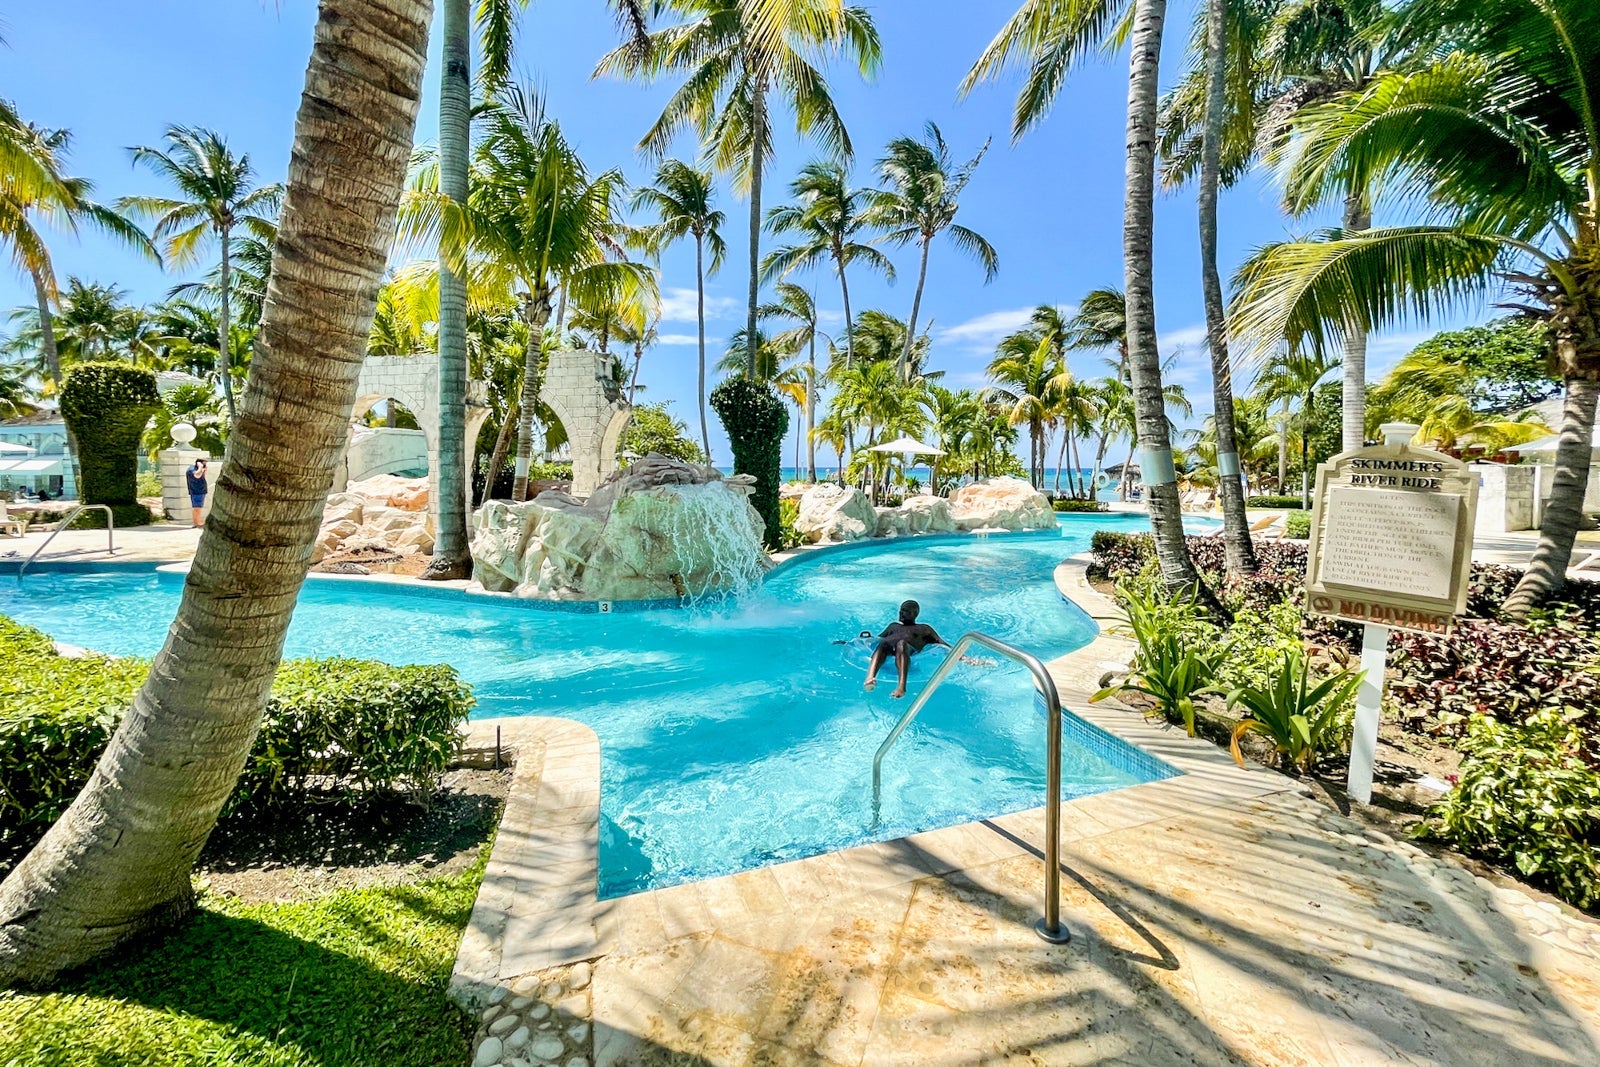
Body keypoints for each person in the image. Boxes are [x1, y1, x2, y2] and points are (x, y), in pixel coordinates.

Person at [864, 599, 952, 699]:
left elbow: (943, 644)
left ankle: (901, 687)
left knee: (901, 644)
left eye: (905, 610)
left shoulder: (924, 628)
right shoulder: (893, 626)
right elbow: (877, 639)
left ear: (914, 613)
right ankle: (870, 677)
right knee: (884, 643)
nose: (901, 613)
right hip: (889, 649)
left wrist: (963, 657)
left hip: (907, 650)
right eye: (901, 610)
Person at [186, 458, 209, 527]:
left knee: (199, 507)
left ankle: (198, 522)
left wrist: (204, 471)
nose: (205, 465)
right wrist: (200, 467)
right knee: (197, 508)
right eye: (204, 463)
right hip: (196, 491)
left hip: (201, 491)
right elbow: (197, 475)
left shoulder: (198, 469)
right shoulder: (192, 469)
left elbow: (202, 477)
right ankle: (196, 523)